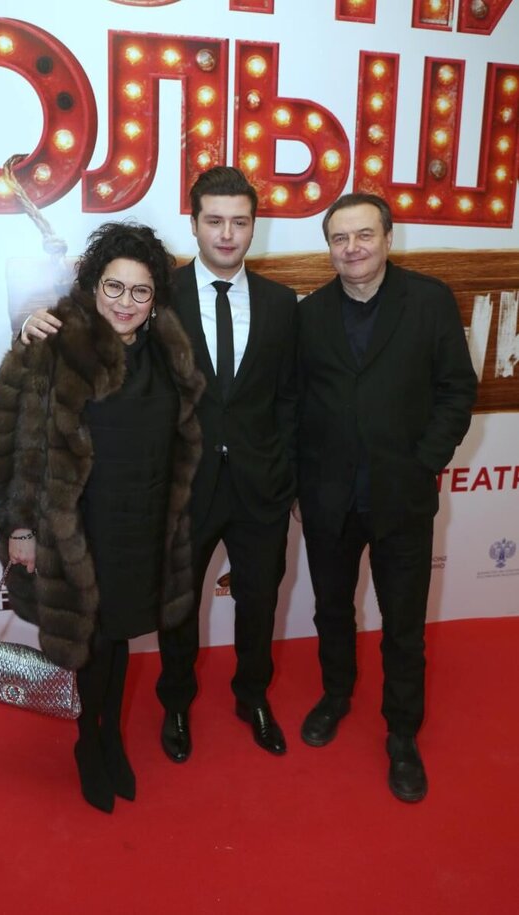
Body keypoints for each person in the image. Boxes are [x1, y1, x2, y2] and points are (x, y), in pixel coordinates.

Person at [22, 167, 298, 761]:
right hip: (182, 488)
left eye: (240, 222)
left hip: (261, 487)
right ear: (194, 224)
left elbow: (290, 399)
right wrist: (32, 323)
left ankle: (253, 696)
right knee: (179, 606)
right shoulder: (158, 292)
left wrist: (287, 477)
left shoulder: (281, 304)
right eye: (214, 220)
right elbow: (95, 325)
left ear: (254, 226)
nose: (227, 234)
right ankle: (176, 703)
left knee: (260, 599)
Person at [0, 222, 204, 814]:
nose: (125, 302)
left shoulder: (169, 352)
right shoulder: (52, 343)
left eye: (140, 291)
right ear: (93, 286)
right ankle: (88, 743)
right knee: (91, 640)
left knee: (117, 636)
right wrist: (19, 526)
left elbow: (183, 440)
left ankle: (110, 735)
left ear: (155, 301)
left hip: (140, 526)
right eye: (113, 287)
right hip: (75, 530)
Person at [296, 192, 477, 802]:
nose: (352, 248)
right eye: (339, 238)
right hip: (328, 498)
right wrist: (298, 484)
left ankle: (402, 734)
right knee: (331, 610)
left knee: (403, 626)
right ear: (329, 247)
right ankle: (336, 694)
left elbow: (457, 389)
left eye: (364, 235)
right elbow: (294, 404)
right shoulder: (309, 314)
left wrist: (424, 462)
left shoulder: (429, 300)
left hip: (402, 498)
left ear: (388, 238)